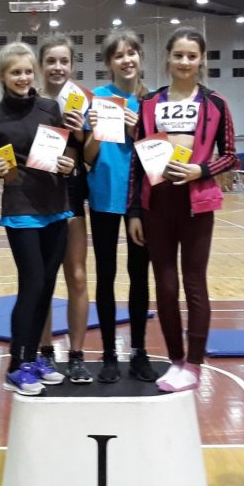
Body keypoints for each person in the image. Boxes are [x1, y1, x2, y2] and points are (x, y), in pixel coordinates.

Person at [128, 27, 236, 394]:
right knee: (165, 284)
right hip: (156, 204)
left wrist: (199, 170)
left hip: (196, 204)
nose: (185, 61)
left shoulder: (216, 103)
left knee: (194, 283)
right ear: (168, 59)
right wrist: (134, 211)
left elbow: (230, 156)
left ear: (201, 59)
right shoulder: (149, 103)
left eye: (192, 56)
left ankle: (194, 364)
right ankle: (176, 359)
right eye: (179, 55)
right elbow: (136, 161)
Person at [0, 42, 77, 396]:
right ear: (2, 76)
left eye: (28, 71)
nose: (23, 77)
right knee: (31, 284)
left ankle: (33, 359)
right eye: (15, 72)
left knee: (46, 285)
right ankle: (16, 365)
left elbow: (64, 152)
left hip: (56, 205)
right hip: (21, 210)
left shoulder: (50, 108)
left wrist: (68, 164)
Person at [83, 29, 155, 383]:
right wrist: (96, 134)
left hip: (140, 200)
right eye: (118, 55)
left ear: (140, 56)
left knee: (140, 275)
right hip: (104, 195)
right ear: (109, 63)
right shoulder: (97, 98)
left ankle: (139, 351)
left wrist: (137, 130)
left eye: (131, 53)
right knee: (106, 274)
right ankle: (109, 352)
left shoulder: (153, 101)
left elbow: (158, 155)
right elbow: (87, 157)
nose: (127, 60)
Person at [36, 37, 93, 383]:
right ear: (41, 65)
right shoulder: (29, 102)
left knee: (77, 276)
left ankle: (76, 355)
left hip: (71, 194)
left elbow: (91, 157)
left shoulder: (84, 101)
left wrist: (82, 133)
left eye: (64, 61)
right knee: (43, 278)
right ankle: (45, 353)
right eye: (51, 61)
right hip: (38, 196)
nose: (58, 67)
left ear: (72, 65)